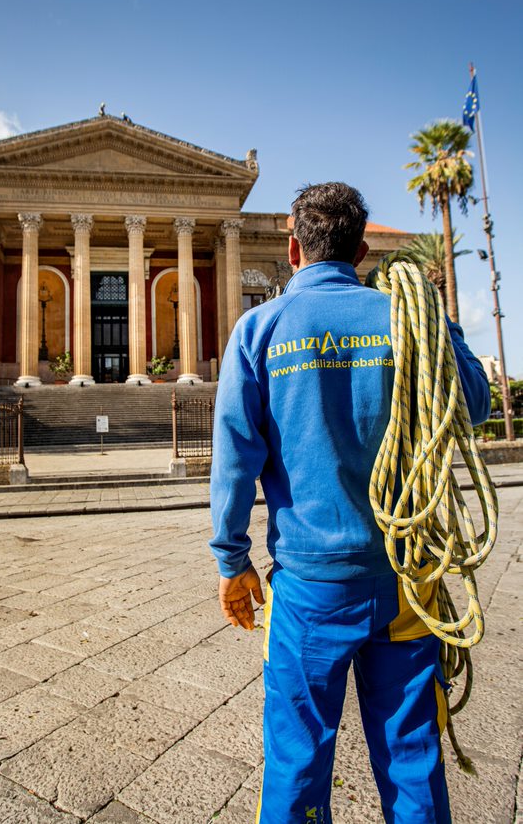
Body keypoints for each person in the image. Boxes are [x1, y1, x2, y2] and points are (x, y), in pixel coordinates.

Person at [209, 182, 490, 824]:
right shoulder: (402, 318)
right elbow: (472, 405)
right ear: (362, 250)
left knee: (297, 759)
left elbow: (234, 457)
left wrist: (232, 559)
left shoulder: (261, 328)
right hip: (408, 582)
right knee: (413, 756)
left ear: (292, 247)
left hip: (310, 586)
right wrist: (437, 318)